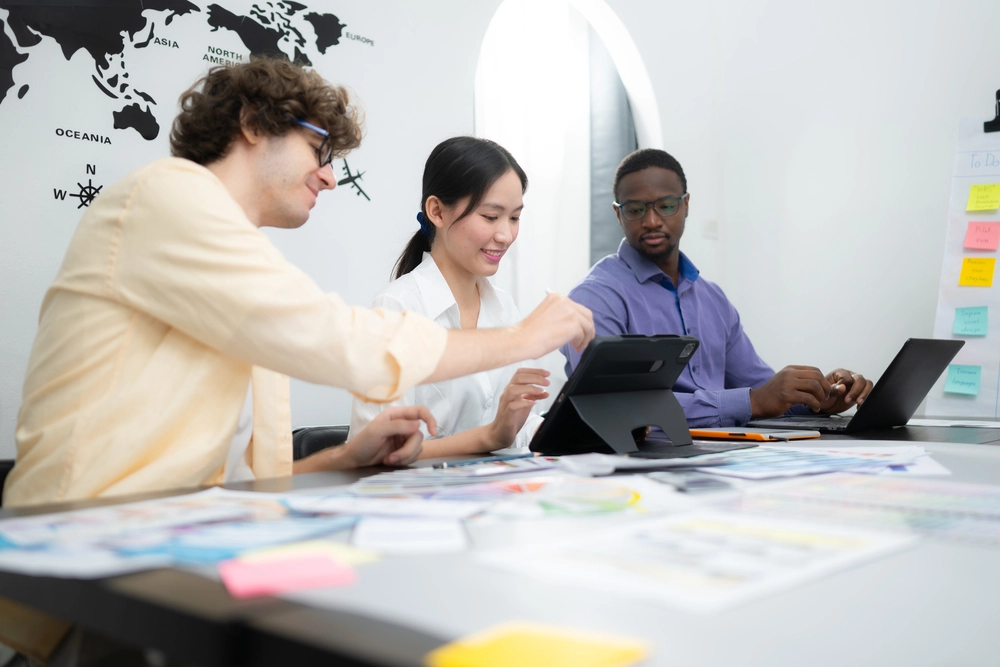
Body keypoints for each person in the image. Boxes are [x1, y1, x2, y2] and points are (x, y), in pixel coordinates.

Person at [5, 58, 593, 509]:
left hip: (171, 533)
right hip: (83, 543)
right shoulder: (162, 198)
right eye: (319, 148)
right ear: (252, 126)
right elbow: (340, 338)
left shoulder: (232, 260)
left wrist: (347, 456)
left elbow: (240, 484)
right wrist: (525, 336)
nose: (331, 176)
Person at [561, 148, 871, 427]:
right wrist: (753, 402)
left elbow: (766, 391)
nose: (652, 220)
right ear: (618, 214)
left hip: (719, 456)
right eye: (635, 209)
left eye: (666, 205)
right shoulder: (593, 299)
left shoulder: (713, 300)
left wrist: (820, 398)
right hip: (638, 463)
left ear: (686, 205)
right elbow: (614, 404)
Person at [351, 137, 547, 457]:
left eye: (514, 217)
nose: (506, 235)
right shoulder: (397, 309)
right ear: (437, 211)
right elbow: (377, 453)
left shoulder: (503, 308)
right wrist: (491, 436)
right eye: (490, 216)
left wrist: (573, 426)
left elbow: (516, 431)